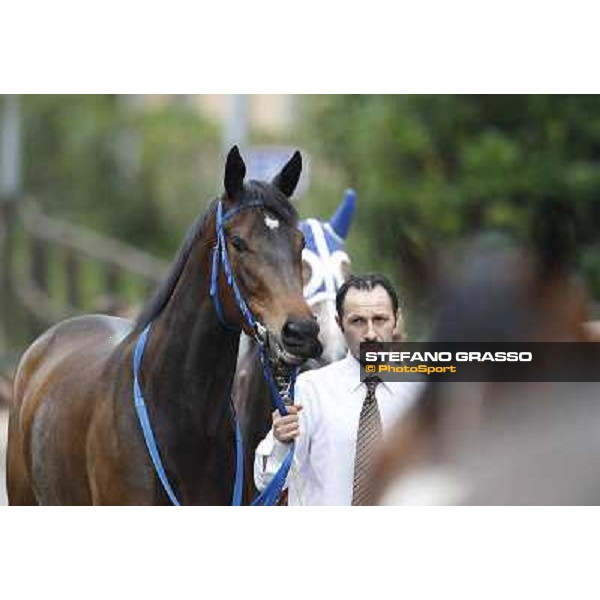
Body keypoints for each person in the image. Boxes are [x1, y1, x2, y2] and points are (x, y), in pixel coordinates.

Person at [254, 273, 422, 505]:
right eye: (358, 321)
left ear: (396, 319)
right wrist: (280, 441)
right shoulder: (311, 390)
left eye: (380, 319)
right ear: (338, 322)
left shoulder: (420, 393)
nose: (371, 333)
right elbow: (267, 482)